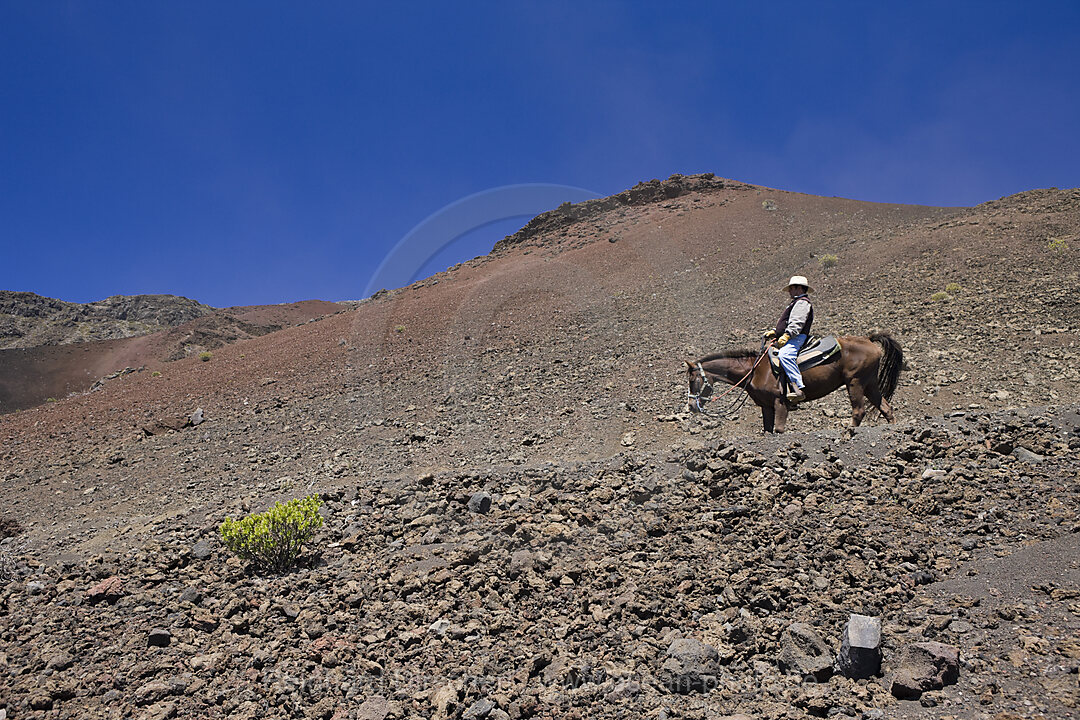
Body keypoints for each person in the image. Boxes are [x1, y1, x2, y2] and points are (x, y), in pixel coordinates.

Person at [763, 275, 814, 402]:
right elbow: (786, 323)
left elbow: (797, 322)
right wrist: (775, 332)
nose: (790, 291)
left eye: (792, 288)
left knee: (785, 355)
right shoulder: (796, 302)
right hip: (791, 336)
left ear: (799, 288)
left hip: (796, 337)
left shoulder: (802, 302)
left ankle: (798, 388)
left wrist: (787, 335)